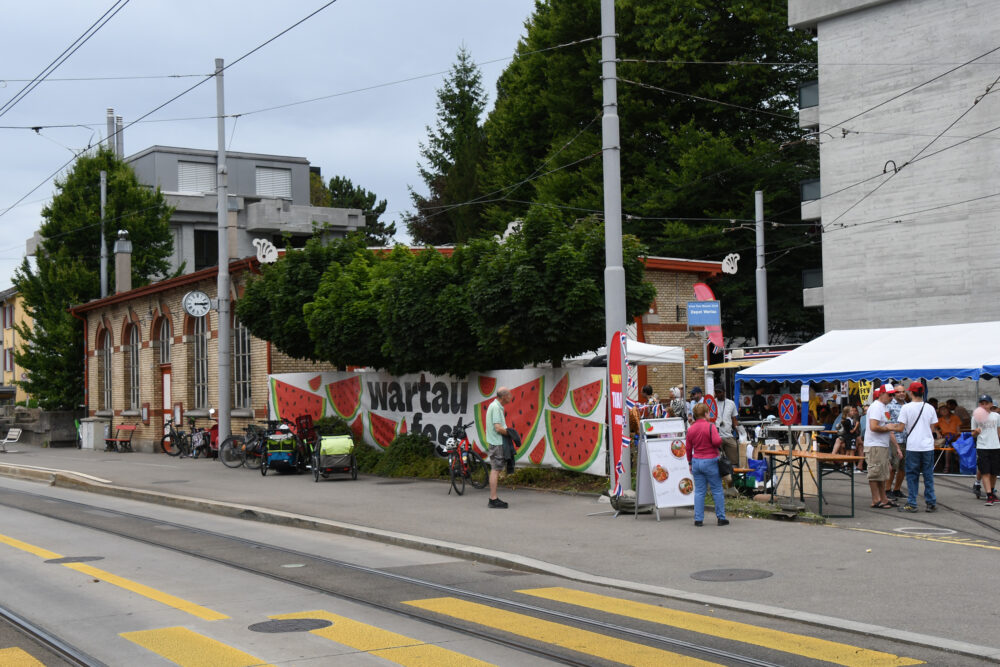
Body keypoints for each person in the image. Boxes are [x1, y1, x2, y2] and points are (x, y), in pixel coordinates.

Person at [898, 381, 940, 512]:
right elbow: (932, 428)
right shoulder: (930, 408)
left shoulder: (906, 408)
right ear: (922, 393)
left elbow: (901, 427)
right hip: (927, 446)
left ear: (911, 393)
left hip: (913, 446)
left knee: (912, 475)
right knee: (928, 475)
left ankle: (912, 503)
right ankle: (931, 502)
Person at [685, 402, 728, 526]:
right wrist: (720, 438)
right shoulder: (711, 427)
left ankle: (698, 519)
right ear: (705, 414)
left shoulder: (691, 429)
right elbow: (716, 442)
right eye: (708, 413)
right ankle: (721, 518)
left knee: (699, 491)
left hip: (696, 461)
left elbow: (688, 448)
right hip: (711, 461)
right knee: (717, 490)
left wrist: (690, 462)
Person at [865, 384, 905, 508]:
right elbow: (873, 426)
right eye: (890, 394)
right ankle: (876, 500)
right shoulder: (876, 406)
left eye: (893, 394)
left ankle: (883, 498)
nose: (892, 397)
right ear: (881, 394)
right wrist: (887, 428)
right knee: (875, 473)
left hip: (881, 445)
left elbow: (887, 426)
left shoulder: (884, 407)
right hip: (875, 445)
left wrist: (892, 428)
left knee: (882, 474)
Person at [484, 387, 514, 509]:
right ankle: (493, 499)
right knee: (495, 470)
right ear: (504, 396)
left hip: (495, 442)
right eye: (509, 395)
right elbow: (498, 428)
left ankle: (493, 498)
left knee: (495, 469)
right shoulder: (496, 407)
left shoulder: (494, 405)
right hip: (497, 443)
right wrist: (510, 433)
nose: (511, 396)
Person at [970, 394, 1000, 506]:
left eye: (986, 403)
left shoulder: (996, 416)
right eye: (982, 403)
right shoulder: (975, 417)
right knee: (985, 471)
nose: (984, 405)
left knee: (994, 473)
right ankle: (989, 495)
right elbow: (973, 434)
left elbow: (998, 431)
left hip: (995, 447)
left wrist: (996, 441)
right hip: (982, 447)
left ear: (991, 404)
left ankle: (991, 491)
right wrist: (976, 432)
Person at [885, 384, 908, 499]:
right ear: (894, 394)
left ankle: (897, 489)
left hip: (906, 439)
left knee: (903, 467)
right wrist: (893, 440)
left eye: (903, 391)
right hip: (894, 439)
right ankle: (887, 489)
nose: (901, 393)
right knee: (894, 466)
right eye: (898, 392)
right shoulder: (889, 406)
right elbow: (888, 424)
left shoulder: (908, 405)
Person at [714, 385, 740, 472]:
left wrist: (740, 433)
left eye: (719, 392)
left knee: (734, 461)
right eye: (716, 392)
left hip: (728, 436)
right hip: (716, 436)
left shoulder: (731, 403)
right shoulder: (712, 403)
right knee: (716, 462)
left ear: (724, 392)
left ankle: (733, 478)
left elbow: (734, 420)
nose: (718, 394)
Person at [935, 404, 962, 473]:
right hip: (946, 439)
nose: (944, 411)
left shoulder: (955, 418)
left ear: (948, 410)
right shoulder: (940, 420)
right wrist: (937, 433)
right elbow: (932, 426)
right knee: (947, 447)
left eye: (945, 409)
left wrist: (954, 436)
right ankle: (946, 466)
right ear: (939, 412)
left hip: (956, 438)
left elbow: (958, 432)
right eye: (942, 410)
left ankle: (951, 466)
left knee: (955, 448)